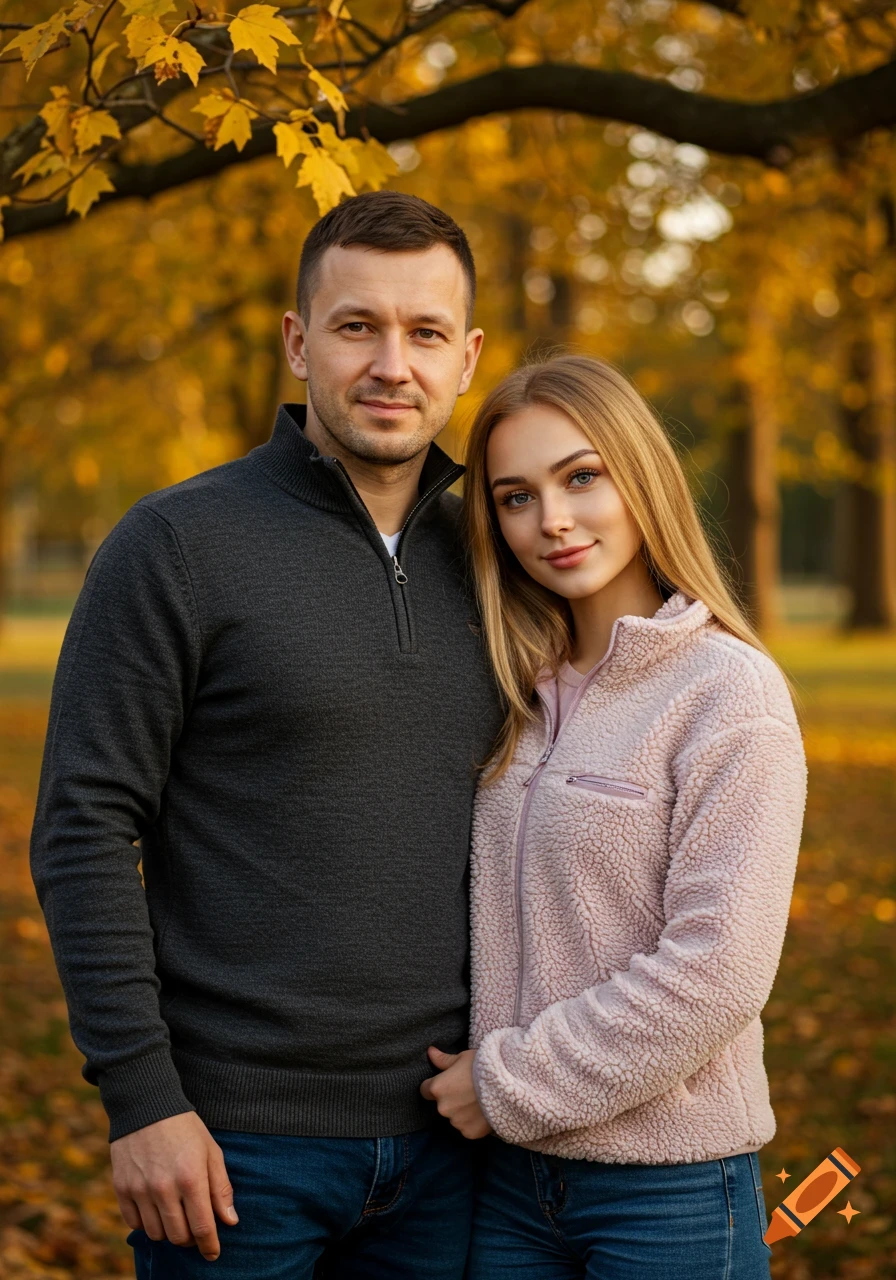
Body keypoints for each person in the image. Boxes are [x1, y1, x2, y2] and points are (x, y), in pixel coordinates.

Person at [29, 190, 503, 1279]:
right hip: (232, 1149)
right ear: (298, 341)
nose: (393, 362)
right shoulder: (175, 545)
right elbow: (84, 825)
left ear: (467, 357)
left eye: (425, 332)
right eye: (356, 326)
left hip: (457, 1143)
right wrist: (142, 1099)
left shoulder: (503, 550)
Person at [422, 355, 808, 1278]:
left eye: (581, 477)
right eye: (515, 497)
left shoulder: (727, 692)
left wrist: (505, 1083)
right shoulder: (515, 693)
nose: (551, 519)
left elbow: (719, 974)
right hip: (509, 1189)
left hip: (668, 1192)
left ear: (640, 476)